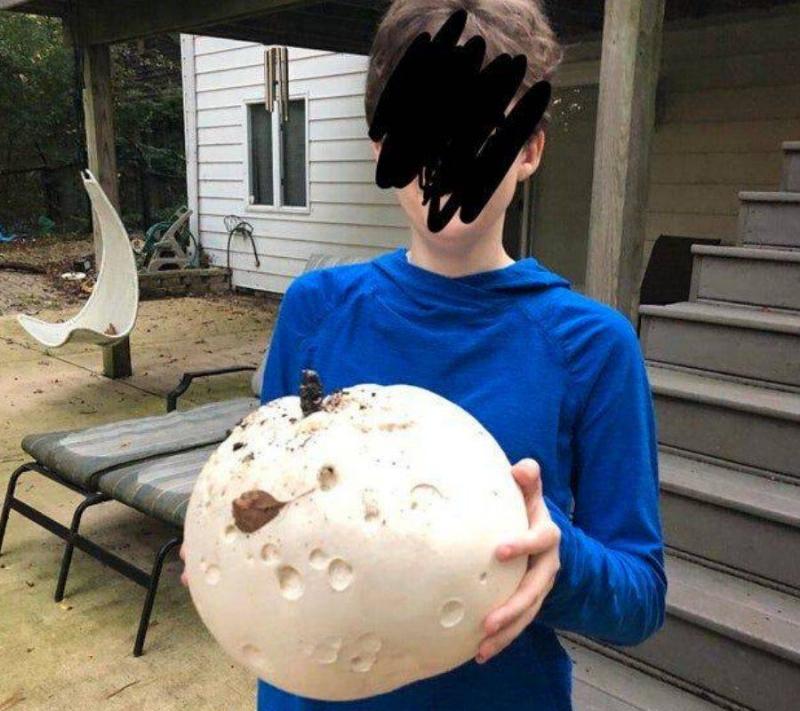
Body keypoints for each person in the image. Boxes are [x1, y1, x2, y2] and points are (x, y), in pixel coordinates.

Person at [184, 1, 666, 709]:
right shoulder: (316, 308)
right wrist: (229, 540)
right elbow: (267, 494)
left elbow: (640, 596)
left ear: (529, 148)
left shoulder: (592, 346)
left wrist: (555, 554)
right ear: (382, 147)